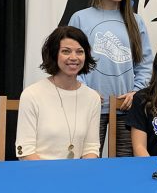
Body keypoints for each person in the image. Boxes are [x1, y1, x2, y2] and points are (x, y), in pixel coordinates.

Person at [69, 0, 153, 157]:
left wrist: (137, 92)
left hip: (125, 107)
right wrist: (84, 89)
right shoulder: (81, 18)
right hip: (89, 106)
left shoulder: (136, 20)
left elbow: (145, 62)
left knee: (125, 166)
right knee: (87, 164)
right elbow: (69, 60)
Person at [16, 26, 101, 160]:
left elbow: (91, 148)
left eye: (79, 52)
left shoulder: (92, 98)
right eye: (66, 51)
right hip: (39, 174)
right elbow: (26, 151)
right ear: (54, 54)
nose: (74, 57)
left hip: (77, 176)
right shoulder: (31, 94)